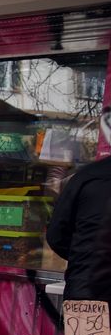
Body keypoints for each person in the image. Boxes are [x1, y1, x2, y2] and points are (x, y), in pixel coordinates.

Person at [47, 108, 111, 308]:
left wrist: (84, 256)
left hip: (84, 293)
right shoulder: (85, 177)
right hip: (86, 290)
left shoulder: (85, 176)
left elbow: (57, 234)